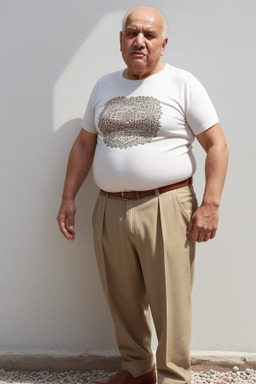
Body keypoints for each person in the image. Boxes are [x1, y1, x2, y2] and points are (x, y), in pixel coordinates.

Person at [57, 6, 228, 384]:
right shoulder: (103, 86)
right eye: (132, 33)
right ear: (121, 41)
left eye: (149, 35)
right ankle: (138, 370)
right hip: (109, 209)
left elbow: (216, 145)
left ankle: (172, 377)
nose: (140, 41)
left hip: (166, 205)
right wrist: (68, 197)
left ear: (163, 44)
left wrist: (211, 204)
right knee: (122, 298)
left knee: (171, 303)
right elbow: (85, 146)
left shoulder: (183, 84)